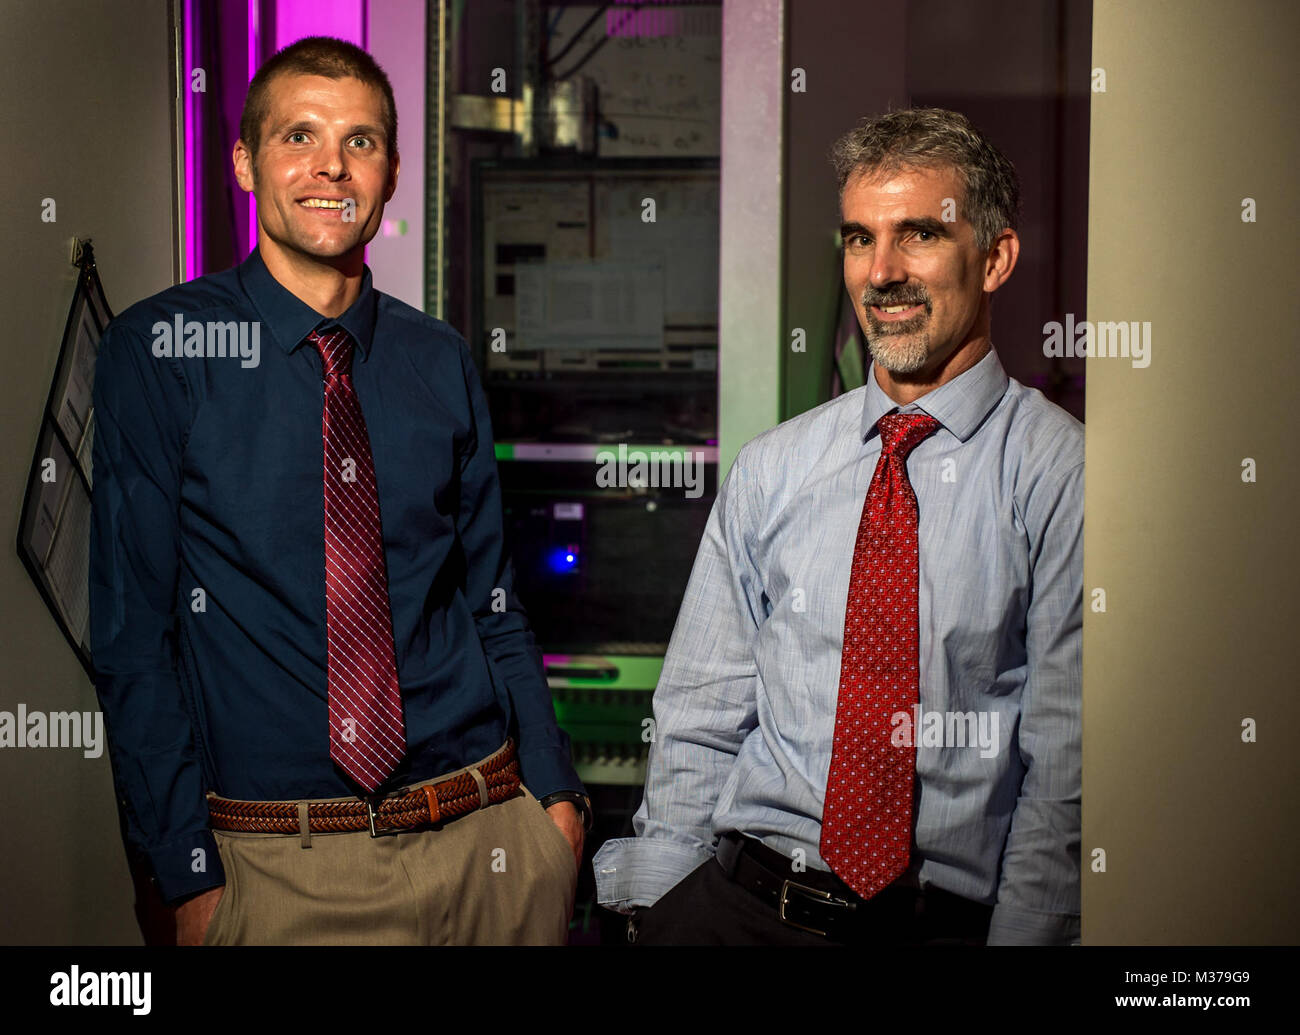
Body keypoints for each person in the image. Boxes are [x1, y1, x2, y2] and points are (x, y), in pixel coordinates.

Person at [89, 36, 590, 946]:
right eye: (300, 137)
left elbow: (493, 602)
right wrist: (188, 879)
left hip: (490, 845)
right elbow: (132, 643)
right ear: (244, 163)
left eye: (360, 141)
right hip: (285, 871)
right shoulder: (158, 352)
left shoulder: (437, 358)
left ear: (392, 172)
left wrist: (556, 807)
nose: (331, 165)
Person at [593, 107, 1083, 946]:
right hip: (738, 903)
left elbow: (1065, 763)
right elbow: (700, 712)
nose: (881, 272)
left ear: (995, 257)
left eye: (919, 234)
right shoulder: (775, 467)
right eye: (860, 239)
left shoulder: (1060, 472)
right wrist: (655, 909)